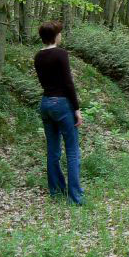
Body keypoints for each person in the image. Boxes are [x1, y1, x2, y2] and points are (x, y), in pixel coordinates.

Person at [33, 21, 84, 205]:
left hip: (45, 103)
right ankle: (75, 197)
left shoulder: (38, 56)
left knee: (53, 150)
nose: (61, 35)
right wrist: (77, 109)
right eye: (60, 33)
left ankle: (56, 191)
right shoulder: (61, 54)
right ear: (55, 36)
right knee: (72, 151)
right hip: (62, 104)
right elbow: (68, 83)